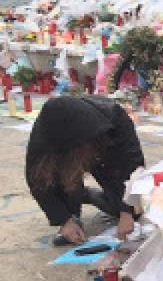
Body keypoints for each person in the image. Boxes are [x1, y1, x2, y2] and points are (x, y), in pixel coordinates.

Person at [26, 96, 146, 246]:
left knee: (131, 211)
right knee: (59, 174)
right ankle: (73, 207)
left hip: (106, 148)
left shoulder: (116, 120)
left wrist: (126, 212)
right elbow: (36, 179)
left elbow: (133, 166)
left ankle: (88, 195)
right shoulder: (45, 133)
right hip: (71, 146)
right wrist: (64, 220)